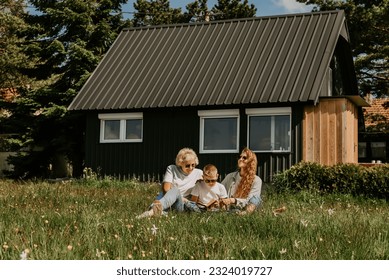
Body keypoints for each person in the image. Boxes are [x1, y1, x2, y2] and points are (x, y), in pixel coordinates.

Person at [136, 148, 203, 219]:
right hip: (167, 199)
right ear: (180, 163)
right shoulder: (172, 169)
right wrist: (183, 198)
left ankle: (151, 212)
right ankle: (159, 212)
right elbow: (166, 189)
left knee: (175, 191)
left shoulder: (199, 173)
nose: (191, 168)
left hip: (180, 205)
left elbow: (209, 186)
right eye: (187, 165)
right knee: (175, 190)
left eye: (193, 165)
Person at [221, 147, 262, 215]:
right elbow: (219, 191)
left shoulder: (256, 180)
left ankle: (244, 215)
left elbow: (252, 200)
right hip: (230, 208)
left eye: (244, 158)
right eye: (240, 157)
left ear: (251, 161)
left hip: (246, 208)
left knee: (256, 199)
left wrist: (234, 200)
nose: (240, 159)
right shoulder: (230, 176)